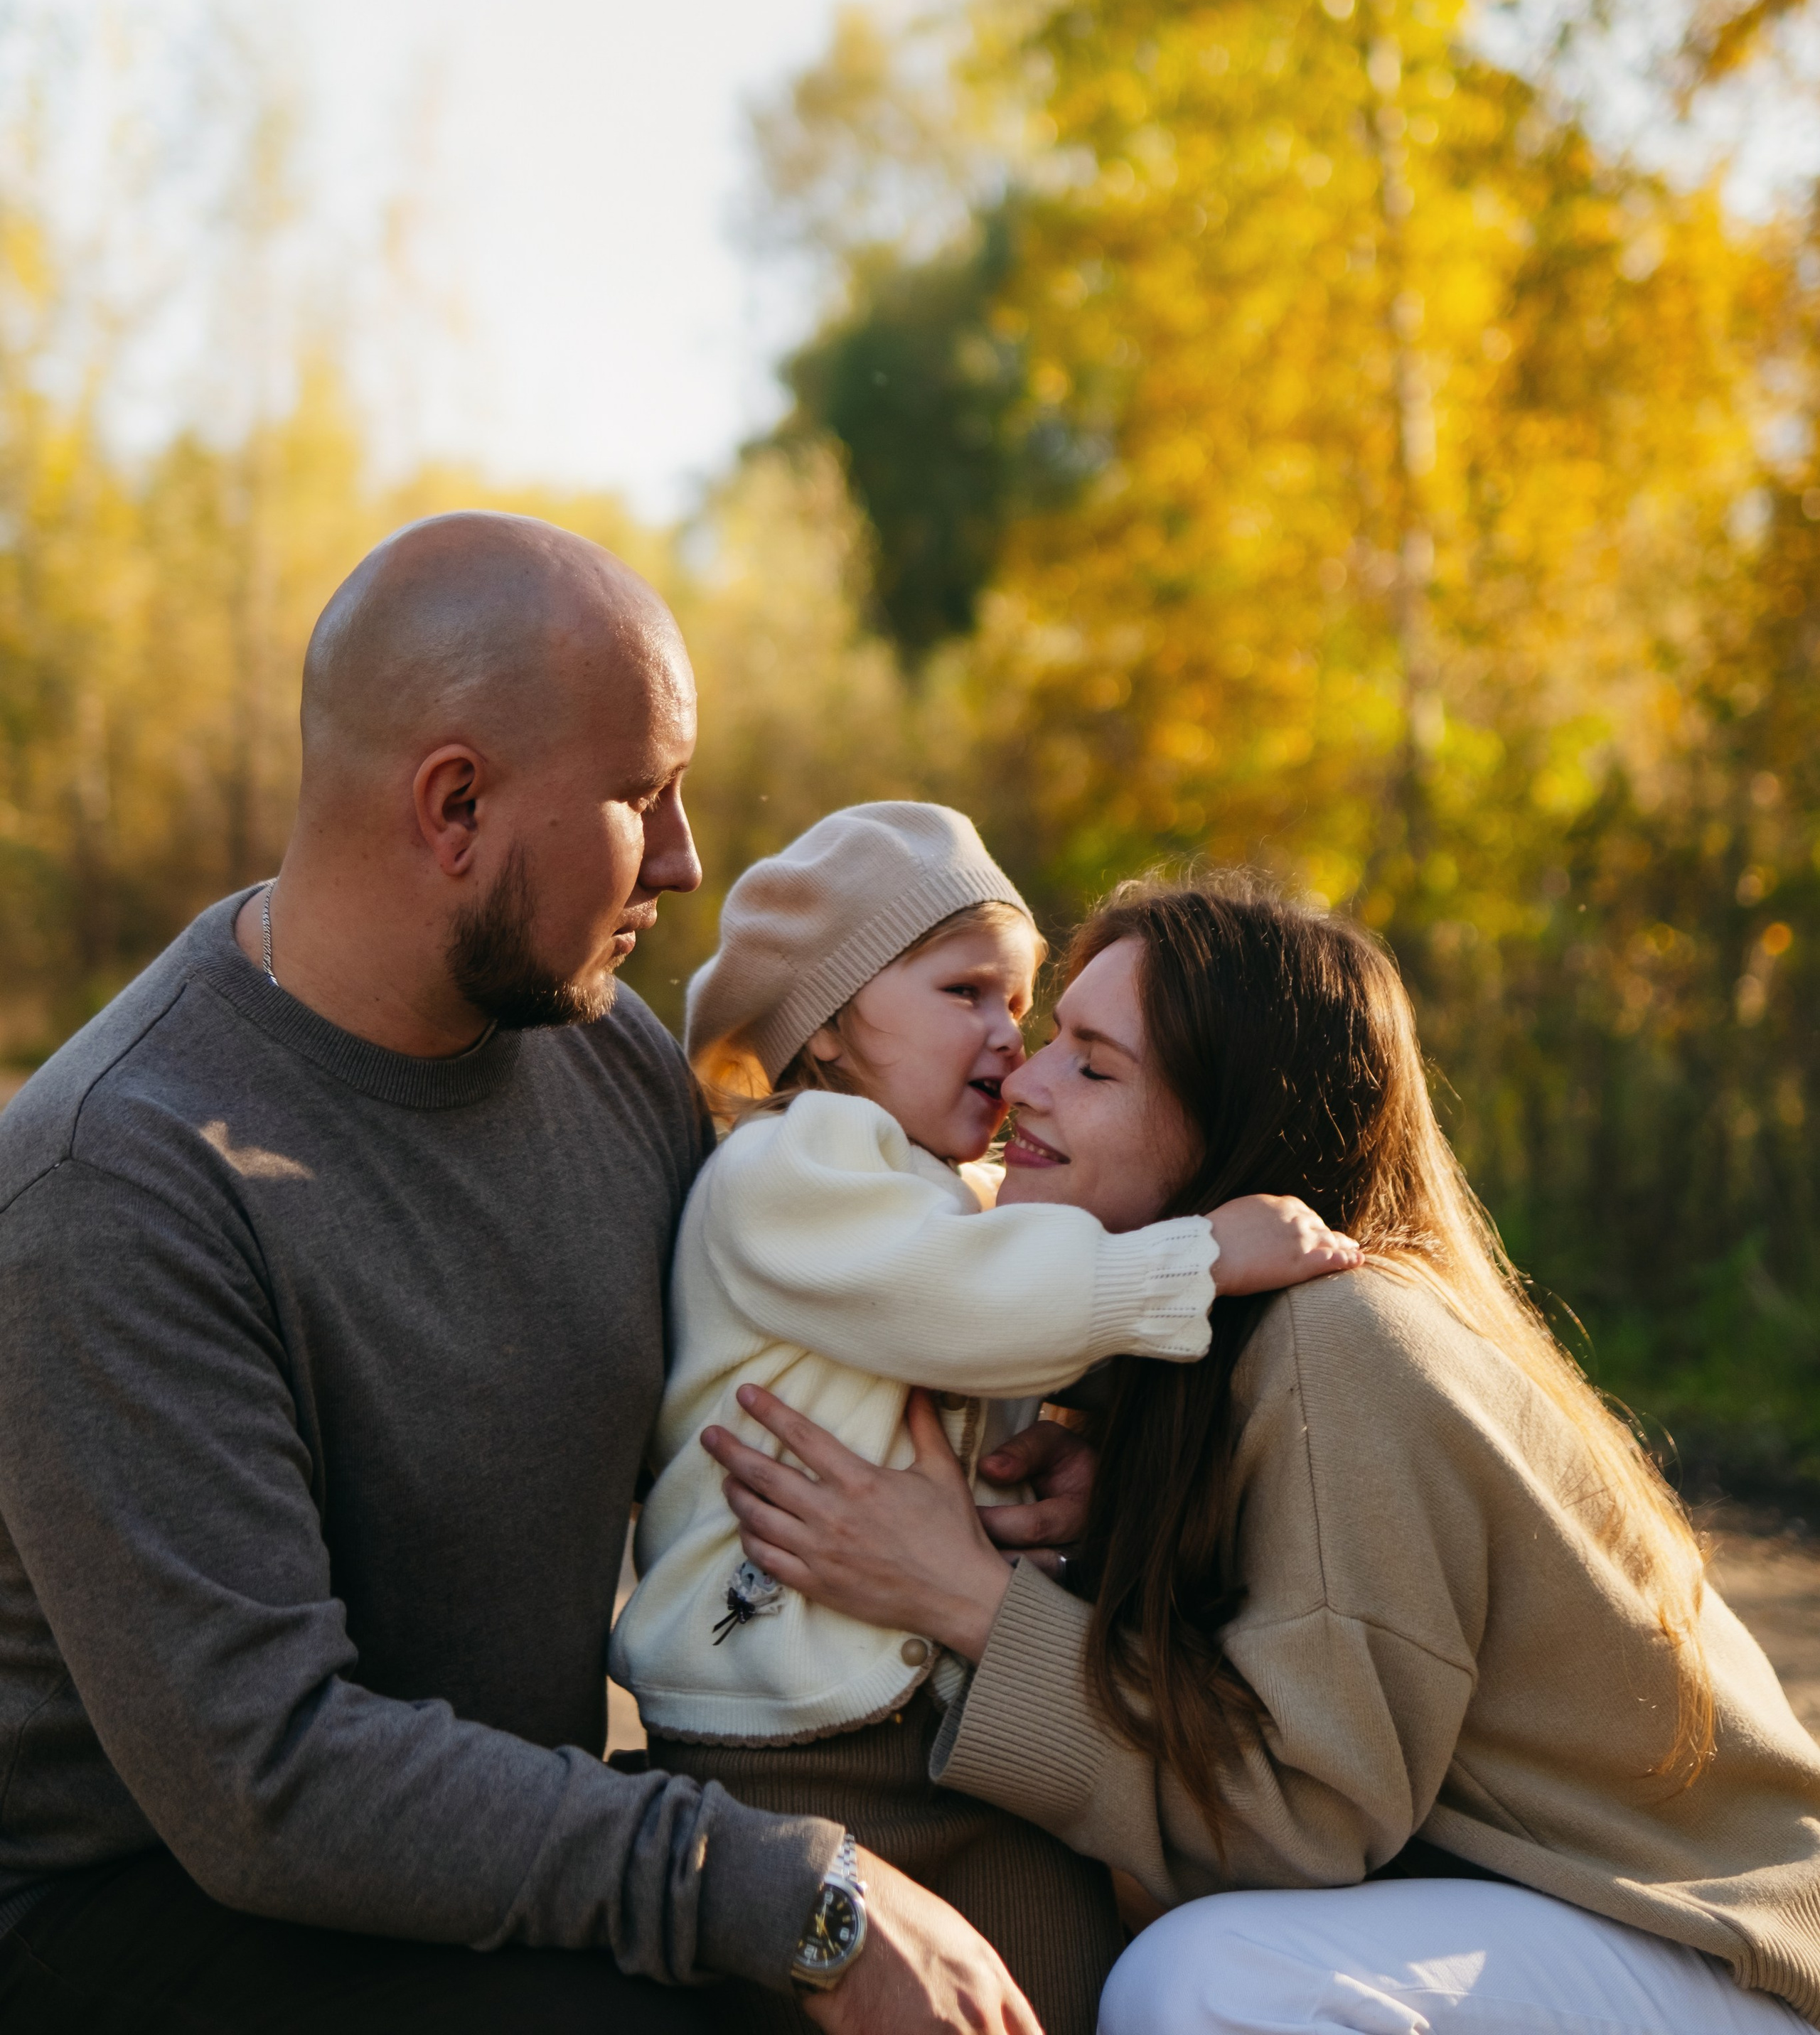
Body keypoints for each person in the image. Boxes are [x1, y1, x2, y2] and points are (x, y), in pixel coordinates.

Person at [0, 512, 1043, 2035]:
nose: (687, 860)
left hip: (499, 1840)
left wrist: (1026, 1464)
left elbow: (814, 1325)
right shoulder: (118, 1185)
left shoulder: (600, 1051)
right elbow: (269, 1782)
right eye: (644, 797)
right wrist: (781, 1890)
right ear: (455, 805)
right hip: (155, 1915)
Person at [708, 879, 1820, 2034]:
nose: (1020, 1082)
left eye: (1093, 1068)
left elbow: (1305, 1827)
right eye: (1050, 1041)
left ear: (1234, 1130)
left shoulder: (1339, 1336)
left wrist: (965, 1597)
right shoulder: (1187, 1347)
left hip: (1700, 1946)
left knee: (1209, 1982)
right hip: (1528, 1915)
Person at [611, 805, 1359, 2035]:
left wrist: (1069, 1456)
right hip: (779, 1744)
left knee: (1053, 1985)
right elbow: (960, 1304)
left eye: (1020, 1005)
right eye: (968, 992)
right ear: (834, 1026)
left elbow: (991, 1369)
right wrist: (1194, 1261)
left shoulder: (945, 1192)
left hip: (952, 1730)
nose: (1009, 1043)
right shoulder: (791, 1170)